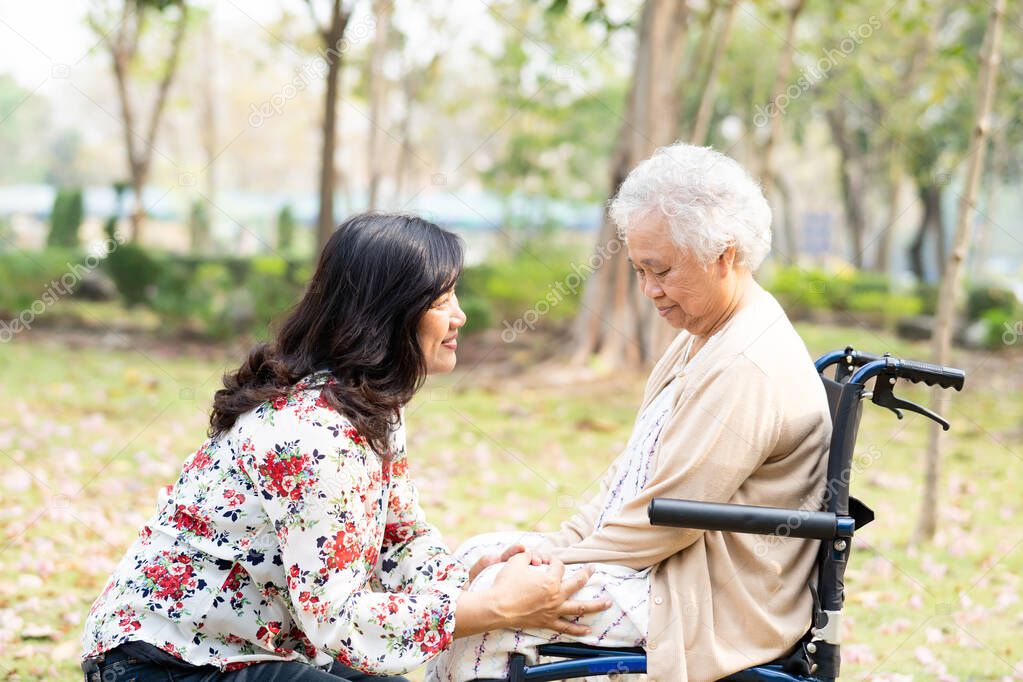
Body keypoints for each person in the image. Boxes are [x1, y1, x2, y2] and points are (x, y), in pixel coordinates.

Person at [80, 213, 610, 682]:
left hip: (256, 646)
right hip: (163, 661)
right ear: (390, 311)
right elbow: (340, 622)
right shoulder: (314, 437)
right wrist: (494, 607)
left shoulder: (370, 406)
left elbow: (401, 538)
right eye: (443, 299)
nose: (460, 317)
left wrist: (475, 574)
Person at [428, 144, 832, 682]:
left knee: (487, 610)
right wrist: (556, 544)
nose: (650, 291)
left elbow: (670, 520)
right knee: (473, 560)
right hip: (659, 568)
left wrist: (555, 568)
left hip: (698, 602)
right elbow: (629, 477)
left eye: (661, 270)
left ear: (725, 255)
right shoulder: (702, 336)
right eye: (640, 270)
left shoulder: (745, 363)